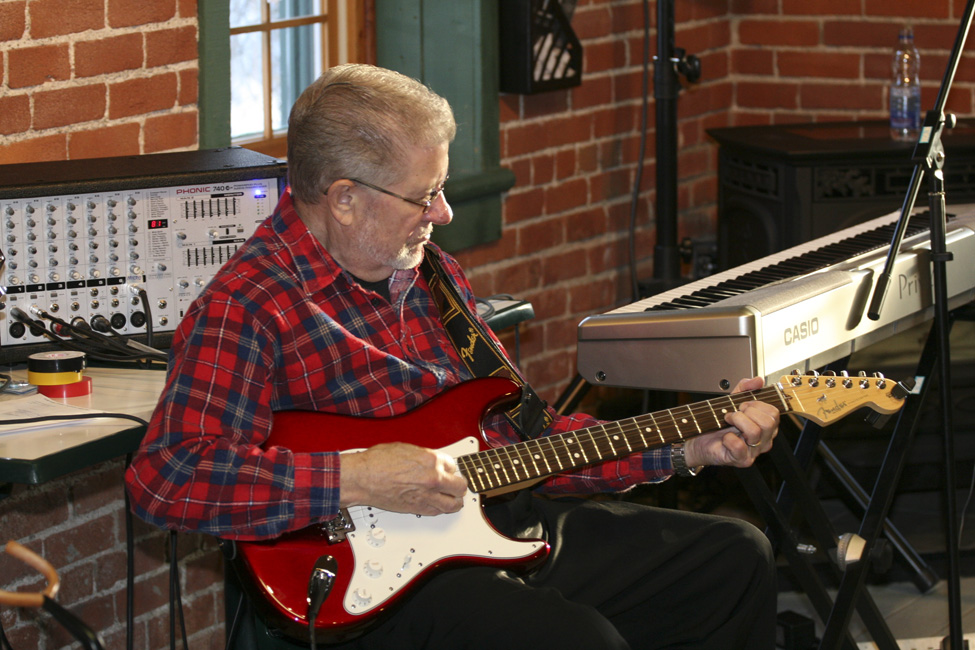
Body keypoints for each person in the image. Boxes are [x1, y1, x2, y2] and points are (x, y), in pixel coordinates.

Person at [125, 63, 781, 649]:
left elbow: (533, 445)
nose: (440, 211)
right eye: (423, 194)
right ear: (345, 198)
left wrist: (691, 446)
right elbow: (168, 477)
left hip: (496, 525)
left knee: (732, 558)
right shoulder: (249, 304)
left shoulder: (434, 277)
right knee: (576, 639)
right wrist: (356, 480)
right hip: (373, 584)